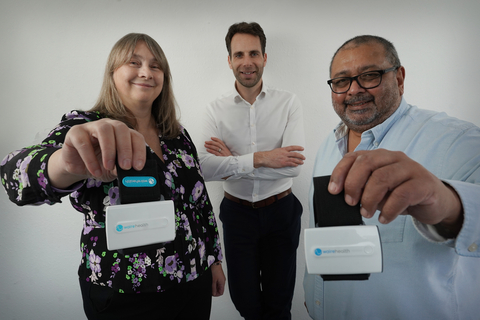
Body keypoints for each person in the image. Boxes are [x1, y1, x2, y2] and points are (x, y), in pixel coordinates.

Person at [0, 33, 225, 320]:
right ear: (112, 72)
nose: (146, 72)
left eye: (156, 66)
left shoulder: (177, 136)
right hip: (124, 295)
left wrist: (214, 260)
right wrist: (64, 165)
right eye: (134, 62)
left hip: (193, 283)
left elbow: (200, 204)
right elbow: (14, 176)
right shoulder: (87, 127)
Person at [303, 35, 480, 320]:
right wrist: (314, 295)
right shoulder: (329, 143)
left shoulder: (456, 140)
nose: (354, 90)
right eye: (341, 81)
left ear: (399, 78)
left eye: (370, 75)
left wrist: (447, 202)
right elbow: (325, 235)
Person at [198, 22, 306, 320]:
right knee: (245, 302)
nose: (247, 62)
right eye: (239, 54)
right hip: (238, 215)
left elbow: (294, 168)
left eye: (254, 53)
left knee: (279, 303)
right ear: (230, 60)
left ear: (265, 58)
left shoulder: (288, 103)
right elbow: (205, 169)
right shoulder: (214, 110)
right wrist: (260, 159)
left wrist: (233, 162)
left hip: (281, 211)